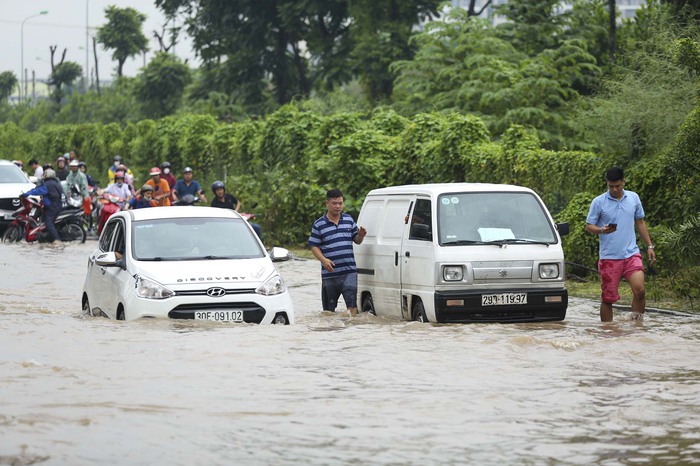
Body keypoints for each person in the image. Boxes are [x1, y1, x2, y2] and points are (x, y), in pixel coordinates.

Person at [585, 167, 656, 322]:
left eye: (618, 185)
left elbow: (641, 222)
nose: (615, 189)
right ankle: (608, 333)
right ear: (607, 184)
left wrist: (650, 246)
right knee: (608, 299)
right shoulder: (598, 202)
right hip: (609, 257)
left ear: (624, 181)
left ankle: (636, 327)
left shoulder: (634, 198)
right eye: (611, 186)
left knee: (640, 291)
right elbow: (589, 226)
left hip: (631, 253)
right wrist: (601, 230)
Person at [308, 188, 367, 315]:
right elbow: (314, 246)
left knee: (352, 308)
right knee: (328, 312)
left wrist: (361, 235)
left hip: (349, 271)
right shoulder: (319, 224)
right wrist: (323, 260)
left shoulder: (348, 220)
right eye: (334, 203)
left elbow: (356, 240)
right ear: (327, 204)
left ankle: (350, 333)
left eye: (340, 203)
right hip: (330, 274)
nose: (338, 206)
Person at [20, 169, 65, 244]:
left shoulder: (47, 184)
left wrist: (26, 194)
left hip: (52, 207)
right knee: (43, 219)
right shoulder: (56, 183)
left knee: (48, 223)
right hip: (57, 205)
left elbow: (37, 191)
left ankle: (57, 239)